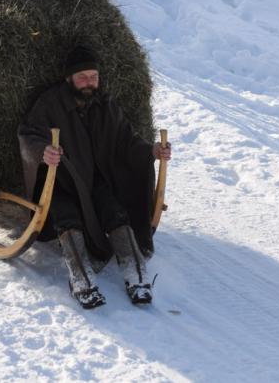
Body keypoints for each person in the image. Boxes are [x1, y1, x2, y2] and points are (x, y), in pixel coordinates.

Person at [17, 45, 171, 309]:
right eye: (82, 77)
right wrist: (44, 152)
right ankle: (81, 279)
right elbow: (28, 134)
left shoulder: (105, 105)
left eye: (93, 76)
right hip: (61, 179)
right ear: (69, 78)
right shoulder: (50, 103)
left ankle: (137, 274)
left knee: (115, 211)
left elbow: (126, 140)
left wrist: (152, 151)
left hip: (95, 179)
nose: (89, 82)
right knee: (67, 218)